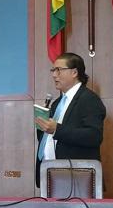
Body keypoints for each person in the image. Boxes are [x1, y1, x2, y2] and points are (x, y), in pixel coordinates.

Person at [35, 52, 106, 187]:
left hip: (78, 178)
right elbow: (48, 138)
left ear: (74, 72)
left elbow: (94, 136)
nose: (54, 75)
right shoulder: (56, 103)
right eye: (53, 70)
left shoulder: (89, 99)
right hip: (51, 174)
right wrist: (42, 126)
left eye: (59, 70)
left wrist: (57, 129)